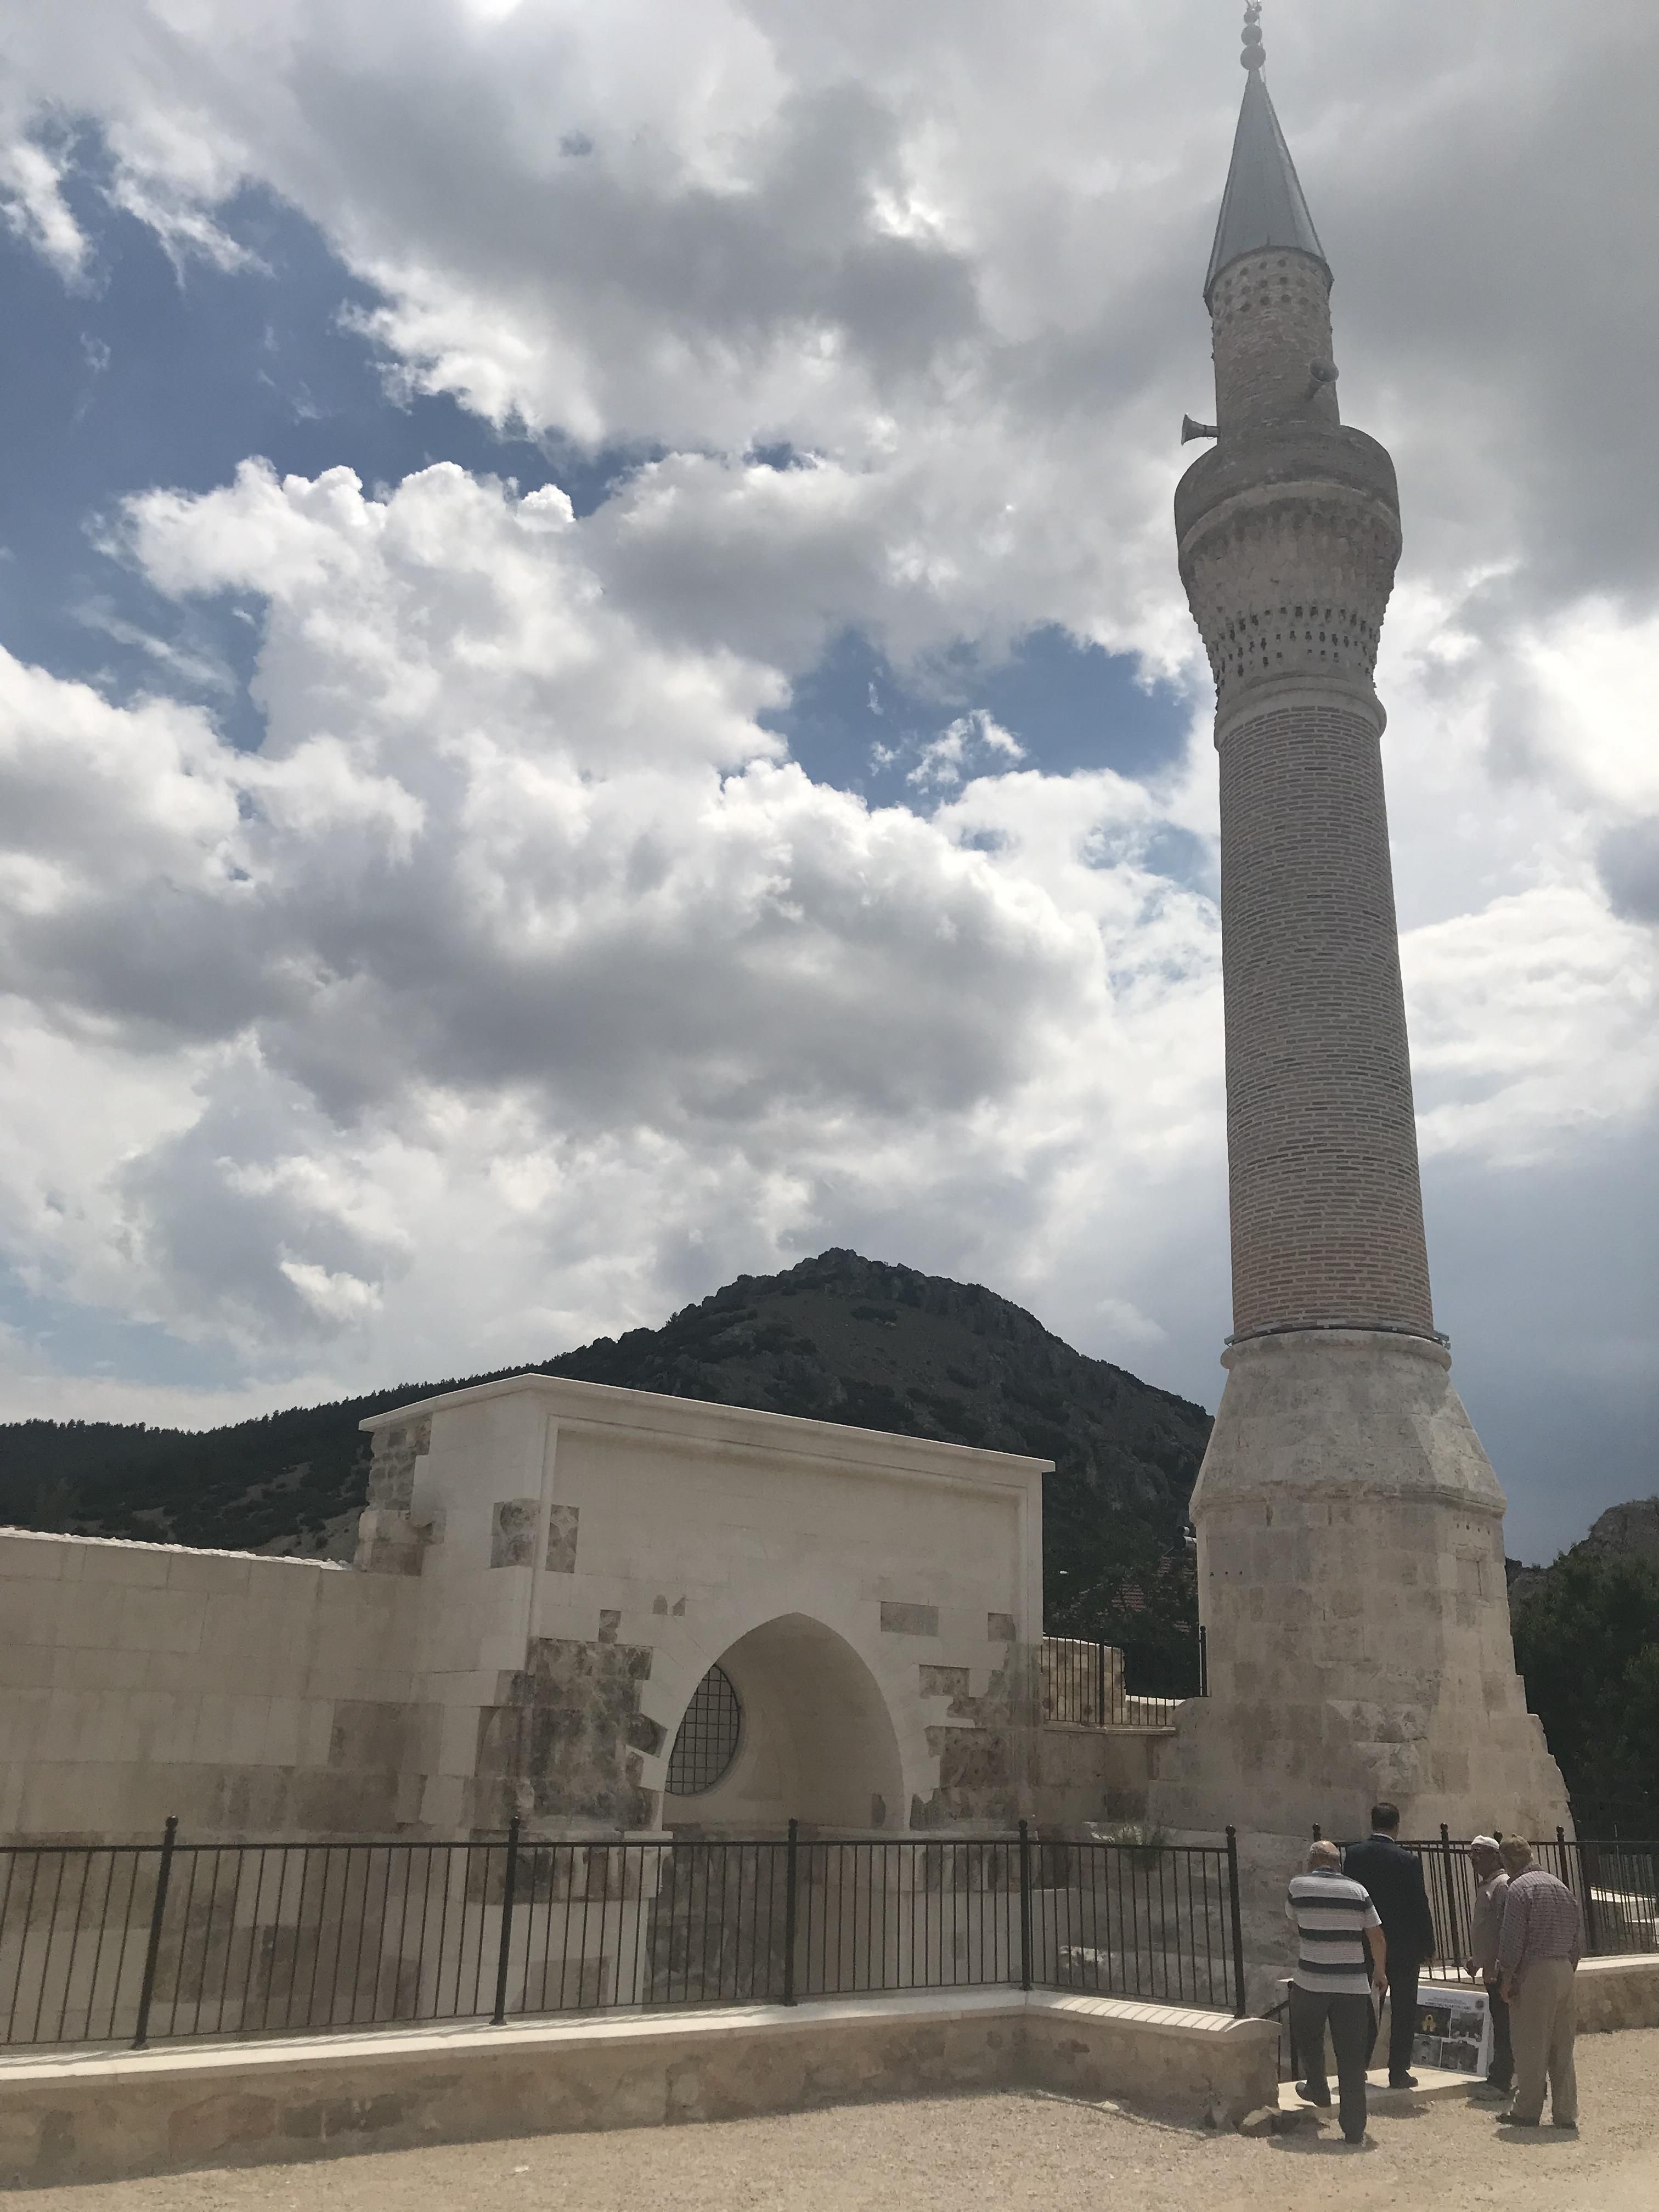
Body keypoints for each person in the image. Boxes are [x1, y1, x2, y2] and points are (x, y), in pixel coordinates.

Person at [1285, 1838, 1387, 2146]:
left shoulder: (1298, 1887)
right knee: (1352, 2057)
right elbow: (1377, 1936)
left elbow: (1295, 1922)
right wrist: (1380, 1971)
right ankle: (1354, 2128)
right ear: (1337, 1864)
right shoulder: (1358, 1891)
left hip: (1311, 1981)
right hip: (1352, 1985)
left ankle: (1317, 2087)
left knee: (1308, 2038)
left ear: (1311, 1861)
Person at [1342, 1802, 1436, 2086]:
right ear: (1397, 1826)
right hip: (1404, 1945)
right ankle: (1398, 2071)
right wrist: (1428, 1944)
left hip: (1367, 1942)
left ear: (1372, 1823)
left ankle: (1358, 2067)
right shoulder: (1407, 1860)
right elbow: (1419, 1903)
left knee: (1367, 2008)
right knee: (1404, 2009)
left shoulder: (1354, 1855)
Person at [1495, 1835, 1581, 2130]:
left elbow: (1513, 1939)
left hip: (1536, 1971)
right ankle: (1566, 2112)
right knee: (1562, 2046)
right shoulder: (1561, 1887)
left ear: (1506, 1861)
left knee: (1531, 2043)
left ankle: (1527, 2109)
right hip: (1564, 1968)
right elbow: (1576, 1938)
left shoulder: (1518, 1889)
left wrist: (1507, 1977)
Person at [1465, 1835, 1513, 2096]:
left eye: (1479, 1854)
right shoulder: (1488, 1885)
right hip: (1490, 1968)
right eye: (1471, 1854)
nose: (1474, 1860)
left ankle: (1501, 2081)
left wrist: (1496, 1963)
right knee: (1501, 2025)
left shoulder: (1501, 1885)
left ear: (1495, 1857)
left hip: (1499, 1970)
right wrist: (1477, 1960)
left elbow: (1505, 1928)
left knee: (1505, 2027)